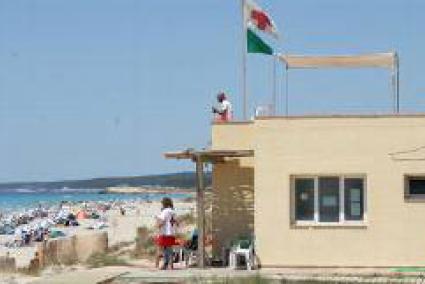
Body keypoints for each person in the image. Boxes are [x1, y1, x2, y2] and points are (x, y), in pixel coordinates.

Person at [155, 197, 178, 270]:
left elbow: (162, 221)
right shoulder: (173, 212)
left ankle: (159, 266)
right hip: (171, 233)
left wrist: (157, 223)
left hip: (164, 233)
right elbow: (177, 222)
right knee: (169, 250)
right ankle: (170, 266)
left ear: (164, 204)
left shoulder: (164, 211)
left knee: (160, 250)